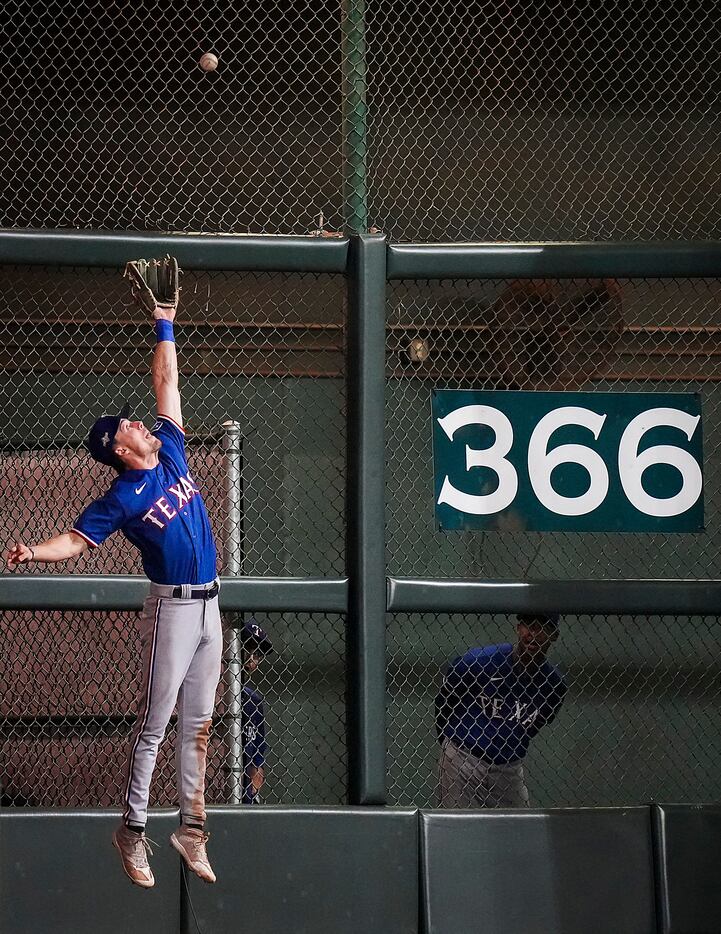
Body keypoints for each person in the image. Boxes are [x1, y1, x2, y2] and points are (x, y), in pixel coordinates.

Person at [6, 276, 220, 888]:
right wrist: (32, 549)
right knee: (155, 723)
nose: (139, 422)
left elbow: (166, 382)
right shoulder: (123, 496)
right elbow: (76, 540)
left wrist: (165, 320)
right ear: (119, 449)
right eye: (128, 426)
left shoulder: (173, 449)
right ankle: (131, 832)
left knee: (199, 721)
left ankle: (192, 829)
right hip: (172, 610)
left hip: (210, 605)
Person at [435, 613, 567, 808]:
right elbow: (444, 701)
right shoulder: (480, 661)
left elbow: (536, 724)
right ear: (518, 628)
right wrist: (449, 744)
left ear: (554, 635)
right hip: (463, 759)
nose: (533, 633)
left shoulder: (554, 684)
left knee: (520, 831)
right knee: (458, 832)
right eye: (528, 625)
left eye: (543, 628)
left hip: (509, 768)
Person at [239, 619, 274, 804]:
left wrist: (252, 791)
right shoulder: (213, 692)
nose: (252, 657)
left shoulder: (253, 700)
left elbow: (259, 753)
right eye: (248, 647)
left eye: (258, 653)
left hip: (243, 796)